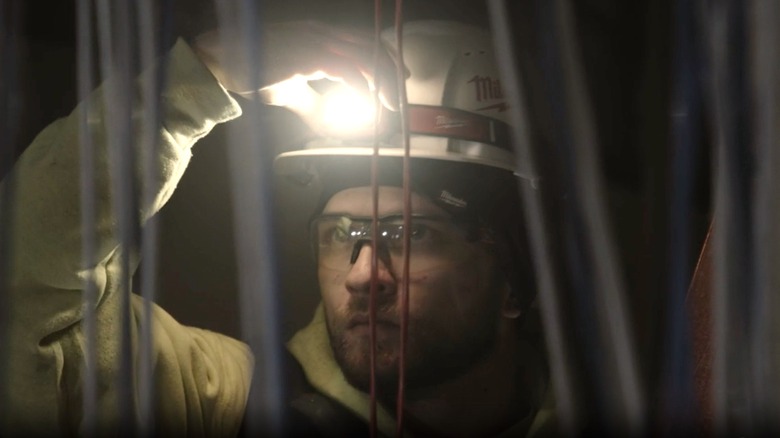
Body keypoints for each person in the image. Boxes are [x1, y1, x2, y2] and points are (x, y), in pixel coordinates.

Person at [2, 18, 553, 437]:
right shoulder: (222, 402)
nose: (363, 277)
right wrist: (194, 81)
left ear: (513, 275)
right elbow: (18, 303)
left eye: (409, 234)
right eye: (340, 233)